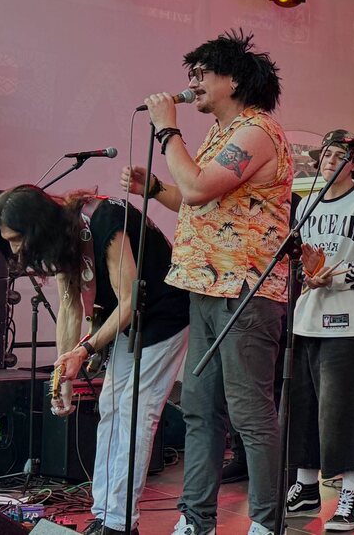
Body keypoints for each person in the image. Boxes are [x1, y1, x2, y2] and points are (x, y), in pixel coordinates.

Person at [122, 30, 293, 535]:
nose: (192, 83)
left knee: (250, 415)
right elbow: (198, 201)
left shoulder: (257, 131)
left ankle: (266, 524)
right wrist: (155, 187)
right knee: (199, 410)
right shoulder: (222, 132)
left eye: (201, 74)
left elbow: (197, 189)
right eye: (190, 74)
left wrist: (166, 130)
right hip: (207, 289)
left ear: (233, 80)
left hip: (245, 293)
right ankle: (197, 520)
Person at [0, 185, 189, 535]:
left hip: (165, 315)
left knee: (135, 413)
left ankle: (120, 523)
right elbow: (69, 305)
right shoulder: (63, 239)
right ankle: (105, 514)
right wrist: (64, 375)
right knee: (111, 407)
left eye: (17, 239)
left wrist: (85, 350)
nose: (15, 250)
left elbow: (128, 302)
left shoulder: (107, 221)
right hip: (128, 322)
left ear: (37, 226)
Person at [283, 130, 354, 532]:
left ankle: (351, 496)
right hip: (306, 319)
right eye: (327, 154)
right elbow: (297, 258)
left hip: (348, 324)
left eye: (339, 155)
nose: (330, 160)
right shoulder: (306, 206)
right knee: (304, 408)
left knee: (344, 411)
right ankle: (306, 487)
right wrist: (305, 272)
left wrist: (337, 276)